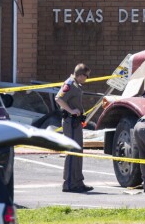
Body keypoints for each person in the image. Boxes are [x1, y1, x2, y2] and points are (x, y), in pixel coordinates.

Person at [54, 63, 93, 193]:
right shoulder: (70, 83)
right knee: (72, 153)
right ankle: (69, 183)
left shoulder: (76, 84)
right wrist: (71, 110)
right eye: (86, 76)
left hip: (75, 122)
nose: (86, 79)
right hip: (70, 122)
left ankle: (78, 182)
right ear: (81, 75)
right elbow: (58, 98)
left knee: (78, 151)